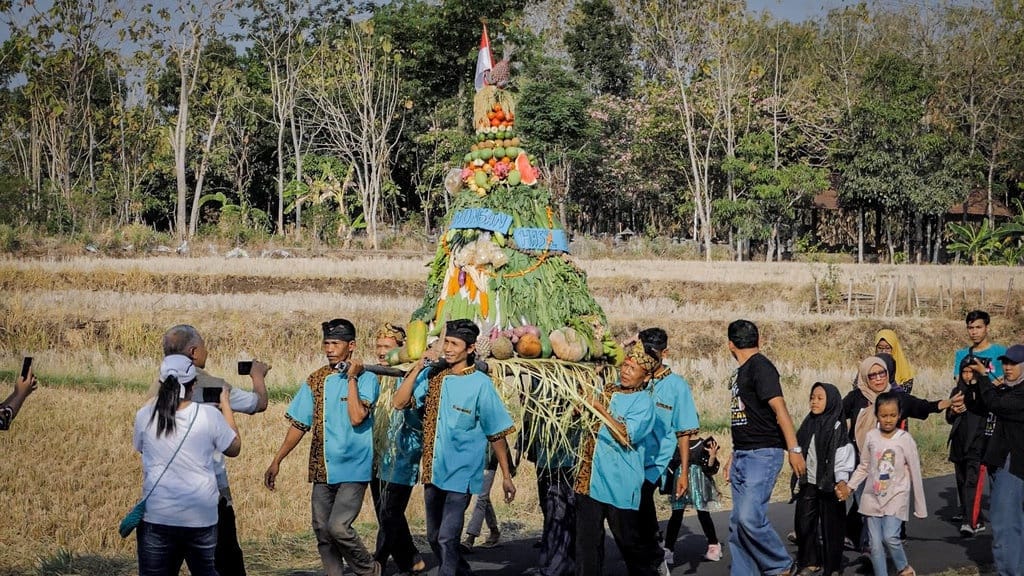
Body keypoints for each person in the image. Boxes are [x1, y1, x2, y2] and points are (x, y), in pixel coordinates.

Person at [391, 319, 516, 576]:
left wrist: (505, 476)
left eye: (454, 344)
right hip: (434, 472)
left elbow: (497, 434)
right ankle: (462, 571)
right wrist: (417, 368)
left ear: (470, 349)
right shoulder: (433, 376)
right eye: (446, 342)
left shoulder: (481, 384)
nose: (447, 348)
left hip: (462, 475)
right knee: (434, 536)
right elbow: (399, 403)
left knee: (447, 538)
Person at [263, 319, 381, 576]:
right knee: (321, 529)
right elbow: (299, 424)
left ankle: (370, 569)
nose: (329, 349)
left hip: (354, 466)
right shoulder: (315, 379)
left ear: (351, 346)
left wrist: (351, 379)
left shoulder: (368, 378)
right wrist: (277, 460)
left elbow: (357, 416)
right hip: (322, 466)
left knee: (338, 527)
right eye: (326, 343)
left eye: (335, 343)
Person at [161, 324, 270, 576]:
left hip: (166, 497)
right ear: (193, 351)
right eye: (204, 346)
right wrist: (258, 375)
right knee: (226, 560)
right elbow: (257, 405)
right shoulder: (213, 385)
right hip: (210, 494)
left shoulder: (156, 389)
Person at [133, 354, 241, 576]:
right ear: (193, 385)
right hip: (201, 517)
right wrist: (226, 405)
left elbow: (141, 447)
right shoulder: (209, 415)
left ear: (161, 383)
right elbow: (234, 448)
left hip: (157, 516)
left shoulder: (144, 415)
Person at [842, 355, 960, 550]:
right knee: (866, 507)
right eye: (872, 375)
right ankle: (873, 547)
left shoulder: (896, 398)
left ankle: (873, 549)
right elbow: (835, 413)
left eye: (882, 373)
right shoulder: (856, 398)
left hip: (887, 466)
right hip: (860, 464)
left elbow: (922, 406)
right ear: (864, 377)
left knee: (880, 510)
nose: (879, 378)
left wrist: (947, 403)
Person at [722, 319, 805, 576]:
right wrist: (733, 455)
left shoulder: (761, 367)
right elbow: (747, 418)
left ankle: (780, 564)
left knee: (749, 518)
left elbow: (780, 410)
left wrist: (794, 450)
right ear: (760, 339)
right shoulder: (743, 371)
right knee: (738, 524)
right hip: (743, 454)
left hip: (763, 454)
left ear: (730, 345)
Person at [572, 341, 659, 576]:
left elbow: (625, 436)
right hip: (589, 480)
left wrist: (598, 407)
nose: (626, 371)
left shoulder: (644, 404)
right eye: (625, 365)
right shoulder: (609, 389)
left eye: (633, 369)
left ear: (646, 377)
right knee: (586, 545)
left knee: (630, 544)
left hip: (620, 482)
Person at [841, 392, 927, 576]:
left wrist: (920, 507)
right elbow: (864, 466)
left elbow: (915, 472)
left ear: (899, 414)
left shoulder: (905, 440)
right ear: (877, 415)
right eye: (884, 415)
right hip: (872, 497)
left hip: (896, 496)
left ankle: (903, 568)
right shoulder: (871, 437)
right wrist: (850, 486)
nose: (888, 420)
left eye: (893, 415)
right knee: (875, 545)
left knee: (890, 537)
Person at [637, 327, 699, 570]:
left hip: (658, 460)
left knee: (642, 496)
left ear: (665, 353)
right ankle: (646, 548)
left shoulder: (677, 386)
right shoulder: (635, 378)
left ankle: (654, 549)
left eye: (651, 354)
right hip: (632, 456)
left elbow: (684, 433)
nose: (647, 359)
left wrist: (683, 472)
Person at [369, 323, 427, 575]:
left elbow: (416, 410)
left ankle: (377, 562)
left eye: (387, 347)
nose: (381, 352)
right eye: (379, 346)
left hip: (404, 452)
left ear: (401, 350)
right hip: (377, 453)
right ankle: (411, 558)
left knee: (390, 511)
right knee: (385, 512)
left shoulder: (413, 374)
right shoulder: (374, 375)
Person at [965, 344, 1024, 576]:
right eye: (1005, 362)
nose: (1007, 367)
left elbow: (997, 404)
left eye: (1013, 363)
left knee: (1004, 523)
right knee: (1013, 523)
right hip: (999, 460)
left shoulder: (1019, 393)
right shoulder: (1006, 389)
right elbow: (984, 404)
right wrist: (975, 383)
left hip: (1014, 463)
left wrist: (983, 377)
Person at [792, 382, 856, 576]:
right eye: (812, 397)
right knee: (804, 523)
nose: (814, 402)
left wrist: (842, 481)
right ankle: (811, 561)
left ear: (831, 401)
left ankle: (833, 567)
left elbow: (843, 454)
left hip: (830, 483)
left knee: (832, 528)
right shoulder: (808, 422)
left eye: (820, 398)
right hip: (808, 482)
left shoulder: (837, 426)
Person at [946, 355, 992, 536]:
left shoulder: (983, 392)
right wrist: (952, 410)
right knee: (961, 481)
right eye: (964, 372)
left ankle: (970, 521)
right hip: (958, 443)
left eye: (971, 371)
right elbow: (949, 419)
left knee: (971, 482)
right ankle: (972, 514)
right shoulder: (956, 391)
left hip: (976, 443)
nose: (967, 375)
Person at [663, 436, 723, 565]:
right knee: (676, 514)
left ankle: (714, 544)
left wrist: (712, 456)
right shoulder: (675, 444)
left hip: (699, 484)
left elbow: (710, 469)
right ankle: (668, 549)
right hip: (680, 482)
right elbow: (671, 465)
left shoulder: (703, 444)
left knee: (703, 513)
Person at [953, 310, 1006, 382]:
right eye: (971, 328)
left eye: (979, 327)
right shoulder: (962, 355)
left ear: (987, 328)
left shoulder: (1002, 352)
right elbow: (960, 382)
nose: (974, 332)